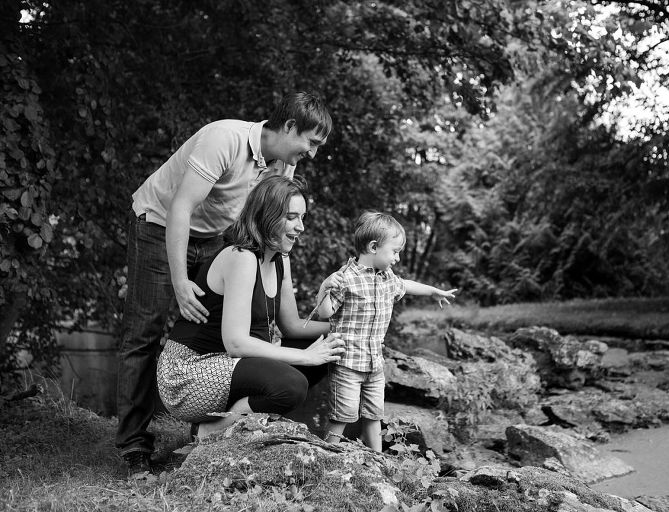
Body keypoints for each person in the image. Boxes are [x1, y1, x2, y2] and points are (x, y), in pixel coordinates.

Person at [116, 92, 332, 474]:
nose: (312, 154)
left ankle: (218, 420)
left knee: (224, 322)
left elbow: (266, 216)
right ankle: (134, 446)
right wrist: (181, 281)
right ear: (289, 127)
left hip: (212, 235)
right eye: (311, 143)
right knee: (144, 333)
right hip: (160, 224)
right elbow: (181, 207)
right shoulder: (225, 139)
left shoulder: (282, 167)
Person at [156, 175, 345, 444]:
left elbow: (291, 325)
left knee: (329, 348)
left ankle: (243, 421)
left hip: (230, 366)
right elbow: (236, 343)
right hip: (189, 374)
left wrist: (344, 329)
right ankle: (214, 431)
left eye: (303, 217)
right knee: (291, 385)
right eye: (291, 217)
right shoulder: (241, 257)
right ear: (266, 215)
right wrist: (305, 356)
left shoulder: (280, 260)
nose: (301, 227)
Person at [314, 212, 457, 451]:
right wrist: (323, 289)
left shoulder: (387, 278)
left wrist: (433, 291)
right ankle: (325, 456)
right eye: (395, 251)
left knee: (373, 414)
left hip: (375, 364)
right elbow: (325, 313)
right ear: (373, 247)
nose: (398, 258)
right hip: (347, 364)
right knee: (343, 415)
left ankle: (377, 460)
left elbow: (406, 285)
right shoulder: (346, 278)